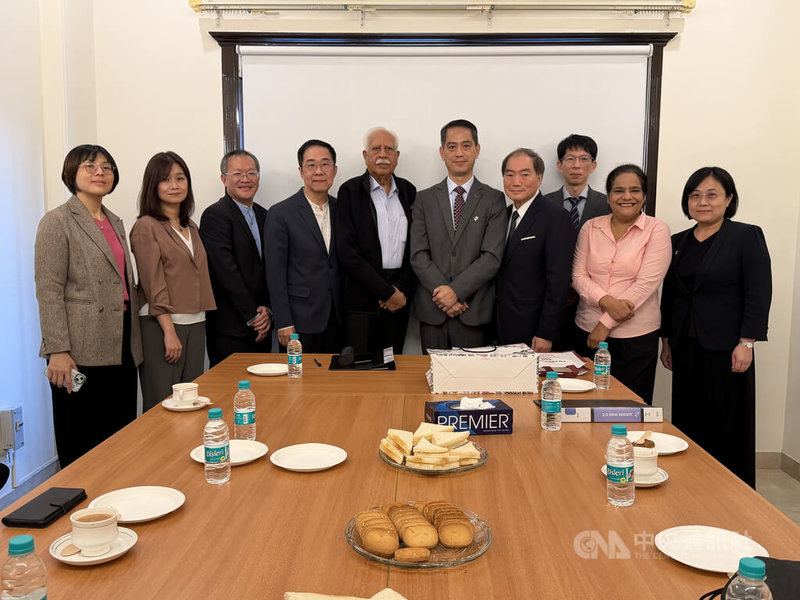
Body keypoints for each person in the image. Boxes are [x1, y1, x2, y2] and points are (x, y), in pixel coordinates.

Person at [660, 167, 771, 488]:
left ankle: (732, 489)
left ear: (728, 199)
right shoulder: (677, 241)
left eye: (711, 195)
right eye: (695, 195)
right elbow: (672, 295)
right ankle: (694, 485)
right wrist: (666, 340)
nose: (702, 202)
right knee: (689, 418)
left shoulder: (745, 236)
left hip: (727, 346)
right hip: (685, 344)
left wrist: (747, 342)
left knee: (727, 421)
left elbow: (759, 291)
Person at [34, 144, 143, 467]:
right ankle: (80, 512)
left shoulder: (115, 221)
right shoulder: (57, 221)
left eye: (107, 167)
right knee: (81, 440)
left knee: (119, 435)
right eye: (90, 166)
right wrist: (58, 349)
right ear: (71, 173)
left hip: (121, 340)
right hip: (79, 346)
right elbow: (49, 290)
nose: (100, 173)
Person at [572, 164, 671, 405]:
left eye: (635, 190)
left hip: (636, 336)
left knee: (629, 407)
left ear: (644, 196)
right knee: (587, 405)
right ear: (608, 196)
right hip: (586, 330)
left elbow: (645, 284)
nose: (627, 197)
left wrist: (605, 324)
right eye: (619, 191)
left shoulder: (657, 230)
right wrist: (606, 302)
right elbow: (578, 275)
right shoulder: (590, 227)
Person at [410, 119, 506, 352]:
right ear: (442, 153)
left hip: (472, 309)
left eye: (466, 145)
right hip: (434, 310)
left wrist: (456, 292)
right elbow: (418, 254)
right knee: (430, 384)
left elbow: (491, 257)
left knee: (473, 384)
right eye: (452, 147)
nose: (459, 153)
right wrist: (445, 294)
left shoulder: (494, 199)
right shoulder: (425, 198)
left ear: (477, 150)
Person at [130, 152, 216, 411]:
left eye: (180, 178)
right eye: (166, 180)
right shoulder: (146, 226)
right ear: (153, 185)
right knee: (162, 404)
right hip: (162, 326)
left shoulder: (190, 226)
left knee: (191, 403)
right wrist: (169, 331)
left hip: (196, 321)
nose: (175, 185)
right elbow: (152, 283)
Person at [335, 127, 416, 355]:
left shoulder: (409, 191)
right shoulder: (349, 191)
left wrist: (399, 291)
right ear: (365, 155)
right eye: (376, 148)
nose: (383, 154)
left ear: (397, 156)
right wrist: (385, 292)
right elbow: (348, 253)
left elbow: (416, 249)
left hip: (398, 299)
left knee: (391, 369)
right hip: (362, 299)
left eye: (389, 148)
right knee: (361, 374)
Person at [265, 139, 341, 353]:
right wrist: (283, 321)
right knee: (299, 384)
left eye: (325, 164)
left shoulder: (342, 208)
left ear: (334, 170)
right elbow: (275, 273)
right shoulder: (281, 213)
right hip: (299, 321)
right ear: (301, 171)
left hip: (338, 318)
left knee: (336, 383)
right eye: (311, 165)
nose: (319, 171)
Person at [495, 148, 575, 351]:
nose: (516, 182)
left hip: (534, 329)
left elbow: (558, 281)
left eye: (525, 174)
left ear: (539, 178)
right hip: (498, 324)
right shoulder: (501, 216)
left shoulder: (556, 218)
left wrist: (546, 332)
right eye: (509, 175)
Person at [199, 150, 271, 367]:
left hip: (263, 325)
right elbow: (225, 271)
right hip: (230, 328)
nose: (246, 179)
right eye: (238, 173)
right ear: (224, 179)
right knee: (231, 394)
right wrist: (253, 316)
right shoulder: (215, 215)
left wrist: (267, 310)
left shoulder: (265, 215)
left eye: (251, 173)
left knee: (263, 395)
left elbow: (270, 269)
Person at [542, 134, 611, 352]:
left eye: (584, 159)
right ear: (560, 165)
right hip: (551, 299)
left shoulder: (608, 204)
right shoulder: (543, 204)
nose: (577, 165)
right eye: (570, 159)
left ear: (593, 165)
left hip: (593, 300)